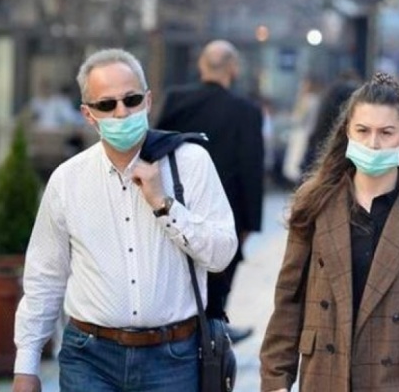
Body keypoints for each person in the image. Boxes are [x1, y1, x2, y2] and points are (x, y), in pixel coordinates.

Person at [12, 49, 237, 392]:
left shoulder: (191, 163)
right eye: (107, 105)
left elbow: (221, 254)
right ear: (88, 114)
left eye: (131, 100)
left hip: (173, 358)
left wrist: (165, 205)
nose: (121, 112)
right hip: (89, 358)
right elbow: (45, 275)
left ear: (148, 101)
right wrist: (26, 366)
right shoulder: (67, 180)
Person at [259, 74, 399, 392]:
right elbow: (289, 300)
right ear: (347, 133)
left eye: (386, 132)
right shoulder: (315, 202)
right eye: (363, 131)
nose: (373, 144)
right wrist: (275, 382)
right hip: (328, 375)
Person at [157, 40, 264, 343]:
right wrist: (249, 225)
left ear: (201, 65)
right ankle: (214, 334)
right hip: (225, 211)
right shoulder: (246, 111)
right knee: (217, 283)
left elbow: (156, 149)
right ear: (234, 69)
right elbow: (251, 169)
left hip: (176, 205)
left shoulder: (176, 100)